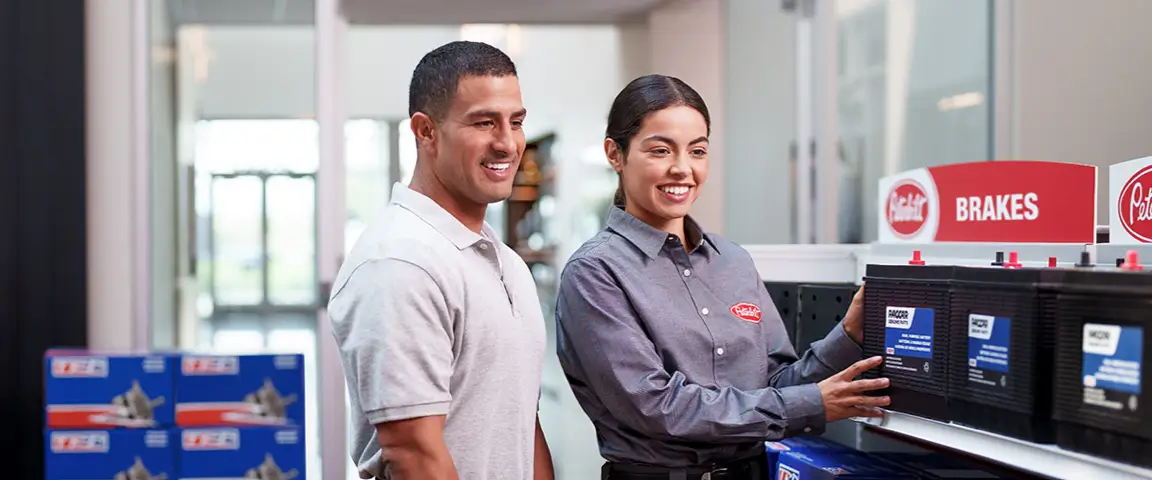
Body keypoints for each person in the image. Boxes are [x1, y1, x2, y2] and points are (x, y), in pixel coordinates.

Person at [554, 74, 890, 480]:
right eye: (660, 150)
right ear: (615, 154)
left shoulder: (733, 261)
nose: (682, 169)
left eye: (697, 151)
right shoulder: (595, 273)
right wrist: (809, 404)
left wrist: (850, 333)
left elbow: (776, 384)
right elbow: (658, 409)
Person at [328, 41, 554, 480]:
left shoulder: (505, 262)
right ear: (426, 131)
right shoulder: (399, 263)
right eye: (484, 122)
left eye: (517, 122)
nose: (508, 143)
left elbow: (522, 421)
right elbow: (414, 456)